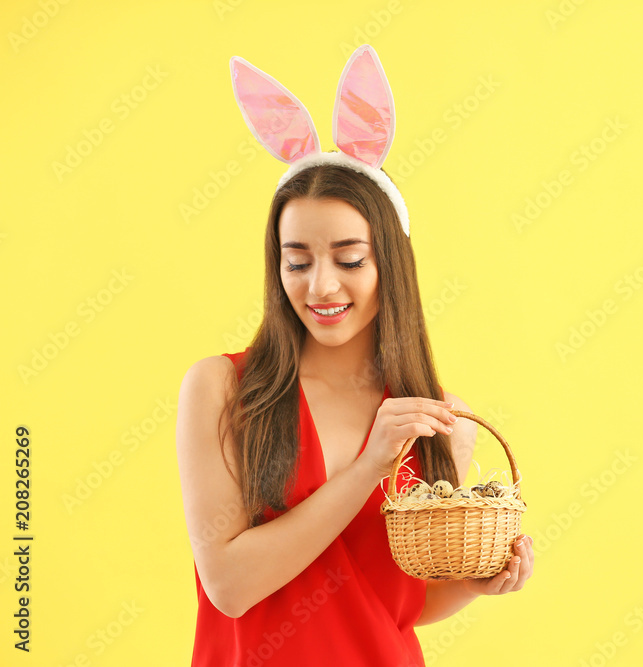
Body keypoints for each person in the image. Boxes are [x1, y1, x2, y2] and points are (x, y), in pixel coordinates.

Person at [175, 47, 533, 666]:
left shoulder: (441, 420)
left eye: (349, 259)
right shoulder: (222, 388)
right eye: (297, 261)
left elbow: (396, 599)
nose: (321, 286)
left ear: (389, 262)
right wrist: (370, 467)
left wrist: (473, 585)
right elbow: (229, 586)